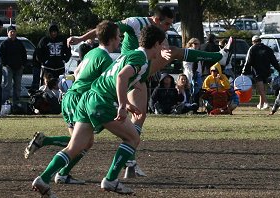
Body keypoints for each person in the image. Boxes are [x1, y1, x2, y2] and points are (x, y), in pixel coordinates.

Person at [67, 6, 223, 177]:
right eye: (167, 24)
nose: (168, 27)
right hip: (131, 70)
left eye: (171, 24)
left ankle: (130, 162)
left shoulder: (158, 33)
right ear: (156, 20)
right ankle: (217, 57)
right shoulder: (135, 23)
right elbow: (106, 28)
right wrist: (81, 38)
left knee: (139, 116)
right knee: (171, 55)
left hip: (138, 73)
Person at [31, 25, 168, 197]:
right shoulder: (140, 58)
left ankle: (43, 179)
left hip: (88, 98)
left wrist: (125, 102)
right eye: (162, 44)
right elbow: (121, 77)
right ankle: (111, 180)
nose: (164, 47)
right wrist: (121, 105)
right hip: (101, 102)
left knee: (75, 147)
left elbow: (115, 78)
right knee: (133, 137)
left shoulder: (131, 55)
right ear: (155, 44)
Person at [25, 21, 120, 185]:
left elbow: (76, 72)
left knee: (82, 142)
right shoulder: (105, 59)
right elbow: (111, 84)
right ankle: (54, 169)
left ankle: (61, 171)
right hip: (80, 100)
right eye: (119, 36)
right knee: (81, 143)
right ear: (112, 39)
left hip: (70, 97)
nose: (120, 40)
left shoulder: (92, 53)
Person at [242, 35, 280, 110]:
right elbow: (274, 61)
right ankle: (260, 104)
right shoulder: (268, 49)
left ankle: (266, 103)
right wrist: (279, 69)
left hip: (257, 71)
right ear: (260, 40)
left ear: (253, 42)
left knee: (260, 89)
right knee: (263, 88)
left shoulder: (252, 48)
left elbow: (248, 61)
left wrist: (244, 72)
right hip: (266, 71)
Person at [0, 25, 27, 111]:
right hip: (8, 68)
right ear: (7, 33)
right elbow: (1, 56)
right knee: (7, 86)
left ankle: (16, 104)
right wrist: (5, 64)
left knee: (18, 86)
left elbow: (24, 54)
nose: (13, 33)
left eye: (14, 32)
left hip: (19, 68)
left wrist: (23, 65)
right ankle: (4, 103)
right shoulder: (4, 44)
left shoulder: (19, 43)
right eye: (11, 32)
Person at [182, 38, 203, 110]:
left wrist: (199, 73)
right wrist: (192, 73)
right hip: (190, 75)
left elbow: (199, 65)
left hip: (197, 75)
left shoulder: (198, 52)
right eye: (195, 44)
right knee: (190, 91)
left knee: (196, 91)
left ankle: (195, 107)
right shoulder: (189, 51)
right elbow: (186, 65)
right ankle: (189, 107)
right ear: (191, 44)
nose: (197, 45)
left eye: (198, 44)